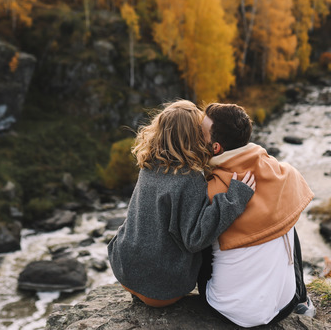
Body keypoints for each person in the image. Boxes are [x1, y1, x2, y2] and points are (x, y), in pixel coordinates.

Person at [107, 100, 257, 307]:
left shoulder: (149, 163)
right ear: (194, 136)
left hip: (124, 269)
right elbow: (195, 239)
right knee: (208, 247)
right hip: (161, 291)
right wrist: (233, 199)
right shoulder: (190, 177)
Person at [198, 103, 315, 327]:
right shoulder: (285, 174)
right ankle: (302, 297)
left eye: (200, 133)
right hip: (284, 305)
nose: (195, 136)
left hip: (229, 310)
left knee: (203, 232)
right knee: (286, 216)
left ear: (215, 148)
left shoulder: (210, 190)